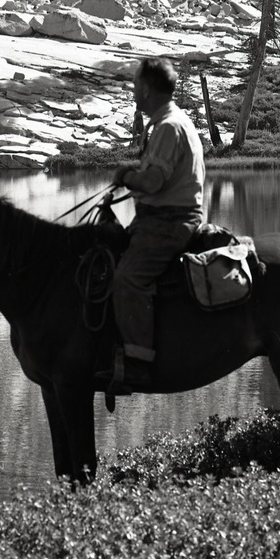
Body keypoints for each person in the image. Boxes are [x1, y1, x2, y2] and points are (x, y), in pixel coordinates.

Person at [107, 56, 206, 383]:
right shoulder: (172, 120)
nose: (134, 90)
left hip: (169, 222)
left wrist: (126, 176)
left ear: (146, 89)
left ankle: (137, 361)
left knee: (128, 278)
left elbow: (153, 182)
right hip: (161, 218)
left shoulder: (167, 127)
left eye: (136, 84)